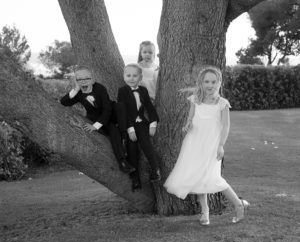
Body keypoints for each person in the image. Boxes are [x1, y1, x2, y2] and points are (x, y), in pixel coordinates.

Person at [164, 66, 249, 225]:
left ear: (219, 83)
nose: (210, 85)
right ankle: (205, 213)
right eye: (206, 81)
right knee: (198, 179)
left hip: (212, 145)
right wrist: (187, 126)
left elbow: (226, 126)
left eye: (213, 82)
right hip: (194, 143)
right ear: (201, 83)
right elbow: (190, 119)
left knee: (214, 178)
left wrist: (221, 145)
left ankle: (238, 204)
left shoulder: (222, 104)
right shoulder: (195, 100)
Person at [60, 65, 135, 174]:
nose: (84, 82)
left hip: (110, 113)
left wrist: (96, 126)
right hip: (97, 118)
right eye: (80, 79)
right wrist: (75, 89)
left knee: (120, 106)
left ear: (92, 79)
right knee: (113, 129)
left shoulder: (99, 88)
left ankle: (124, 138)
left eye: (87, 78)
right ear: (76, 81)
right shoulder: (79, 93)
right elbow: (63, 102)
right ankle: (122, 162)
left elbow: (107, 109)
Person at [117, 63, 161, 191]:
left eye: (135, 76)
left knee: (146, 144)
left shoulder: (143, 90)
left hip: (141, 122)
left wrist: (153, 123)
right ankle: (135, 178)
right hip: (128, 123)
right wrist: (130, 129)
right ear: (124, 76)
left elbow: (149, 107)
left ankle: (156, 169)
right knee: (132, 150)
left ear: (140, 77)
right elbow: (123, 111)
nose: (131, 78)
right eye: (128, 75)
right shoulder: (122, 91)